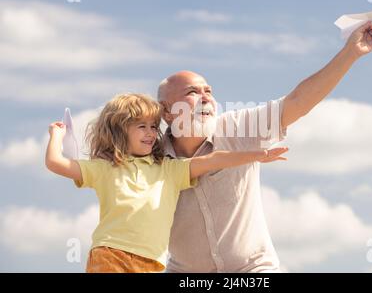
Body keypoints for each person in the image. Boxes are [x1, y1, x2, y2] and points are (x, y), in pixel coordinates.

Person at [157, 22, 372, 272]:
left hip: (253, 270)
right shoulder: (149, 156)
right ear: (167, 111)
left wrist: (350, 53)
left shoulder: (238, 128)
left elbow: (297, 101)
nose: (206, 97)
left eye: (208, 91)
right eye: (192, 92)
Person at [45, 93, 288, 273]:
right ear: (119, 131)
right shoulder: (104, 168)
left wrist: (255, 155)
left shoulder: (169, 169)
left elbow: (213, 159)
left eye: (153, 126)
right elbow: (56, 162)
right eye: (142, 127)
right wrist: (56, 135)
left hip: (152, 264)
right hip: (110, 255)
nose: (151, 133)